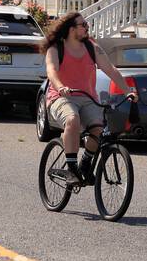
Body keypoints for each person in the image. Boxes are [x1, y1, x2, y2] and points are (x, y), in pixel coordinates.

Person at [41, 12, 127, 185]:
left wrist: (129, 91)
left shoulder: (92, 47)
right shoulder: (56, 48)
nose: (87, 28)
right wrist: (60, 87)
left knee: (98, 130)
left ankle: (85, 165)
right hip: (61, 96)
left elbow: (110, 69)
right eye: (83, 25)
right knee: (72, 119)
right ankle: (71, 169)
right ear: (71, 29)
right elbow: (51, 71)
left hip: (88, 98)